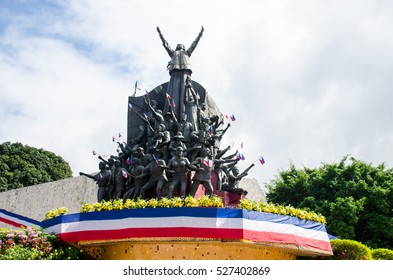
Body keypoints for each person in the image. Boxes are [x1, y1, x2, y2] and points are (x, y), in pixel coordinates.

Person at [157, 26, 204, 119]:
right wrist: (160, 34)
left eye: (181, 46)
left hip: (185, 74)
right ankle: (172, 113)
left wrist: (200, 34)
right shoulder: (174, 53)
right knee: (174, 93)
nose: (180, 47)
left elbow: (194, 44)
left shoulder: (186, 53)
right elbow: (166, 44)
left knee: (185, 93)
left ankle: (185, 115)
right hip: (175, 74)